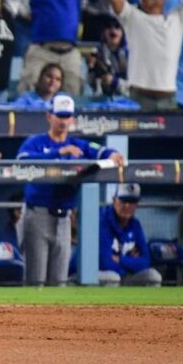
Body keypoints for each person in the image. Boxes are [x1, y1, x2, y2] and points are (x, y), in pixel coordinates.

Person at [17, 94, 124, 286]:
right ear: (49, 116)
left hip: (64, 218)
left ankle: (57, 317)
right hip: (38, 215)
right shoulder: (36, 142)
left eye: (67, 116)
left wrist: (113, 153)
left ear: (72, 119)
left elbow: (99, 151)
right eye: (59, 116)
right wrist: (58, 152)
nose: (63, 121)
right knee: (36, 281)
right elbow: (22, 161)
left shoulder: (77, 145)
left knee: (59, 282)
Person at [95, 0, 183, 110]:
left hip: (169, 99)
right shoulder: (132, 17)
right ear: (141, 0)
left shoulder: (177, 19)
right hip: (140, 98)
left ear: (164, 0)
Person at [98, 183, 162, 287]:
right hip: (94, 274)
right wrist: (132, 262)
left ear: (137, 205)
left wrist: (121, 259)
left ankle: (145, 304)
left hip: (124, 276)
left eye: (132, 201)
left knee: (153, 276)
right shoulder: (102, 221)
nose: (127, 205)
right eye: (123, 200)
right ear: (114, 200)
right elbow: (105, 263)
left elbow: (146, 262)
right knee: (113, 278)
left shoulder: (135, 225)